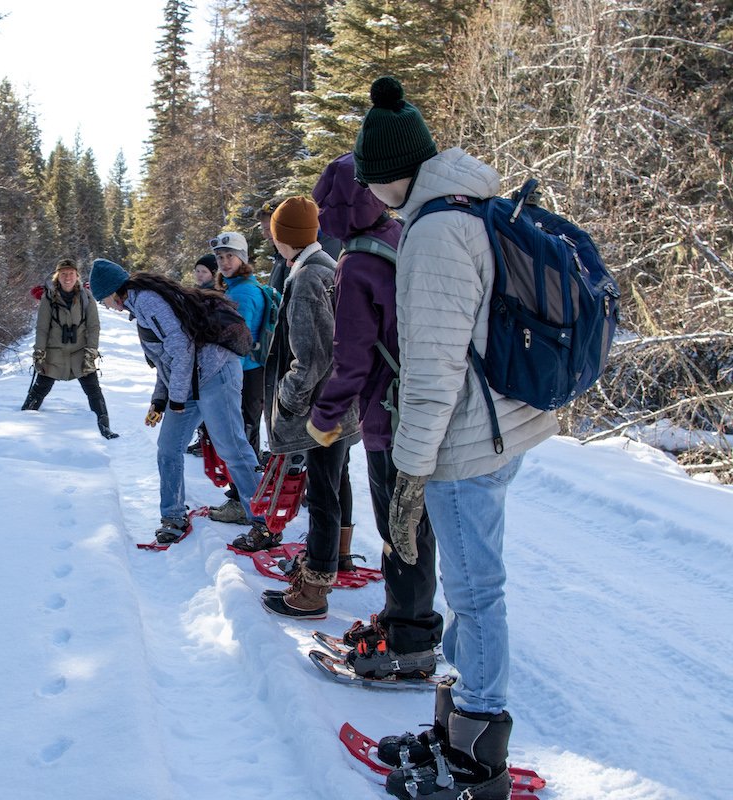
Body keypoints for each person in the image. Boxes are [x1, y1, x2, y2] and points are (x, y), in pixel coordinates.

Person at [350, 77, 557, 800]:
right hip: (501, 425)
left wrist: (408, 477)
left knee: (477, 592)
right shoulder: (471, 203)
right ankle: (457, 722)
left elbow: (433, 375)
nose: (372, 199)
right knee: (476, 590)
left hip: (468, 440)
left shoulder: (435, 232)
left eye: (373, 184)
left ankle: (476, 756)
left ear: (390, 176)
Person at [307, 152, 444, 679]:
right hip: (418, 407)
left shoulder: (358, 263)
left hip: (388, 417)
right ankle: (401, 621)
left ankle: (409, 641)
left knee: (399, 528)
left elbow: (353, 355)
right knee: (413, 524)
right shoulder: (398, 237)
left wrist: (325, 417)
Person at [88, 258, 271, 546]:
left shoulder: (147, 301)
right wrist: (160, 400)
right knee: (168, 448)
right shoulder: (138, 307)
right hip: (190, 381)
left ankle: (265, 523)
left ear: (112, 291)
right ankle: (172, 516)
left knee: (232, 447)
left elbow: (182, 351)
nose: (105, 305)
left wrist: (175, 400)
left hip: (215, 372)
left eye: (103, 300)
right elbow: (165, 361)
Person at [254, 196, 359, 616]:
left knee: (322, 494)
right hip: (338, 404)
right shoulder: (325, 267)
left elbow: (312, 357)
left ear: (285, 238)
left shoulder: (308, 278)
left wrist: (286, 401)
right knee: (335, 485)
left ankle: (314, 590)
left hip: (320, 410)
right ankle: (334, 558)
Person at [206, 231, 266, 524]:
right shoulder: (234, 288)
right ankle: (244, 499)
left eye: (230, 256)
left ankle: (246, 504)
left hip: (246, 374)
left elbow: (239, 340)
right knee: (242, 437)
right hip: (246, 372)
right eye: (220, 257)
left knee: (242, 440)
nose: (224, 262)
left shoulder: (243, 292)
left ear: (242, 257)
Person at [21, 258, 119, 439]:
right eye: (64, 274)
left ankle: (104, 428)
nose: (67, 278)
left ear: (77, 276)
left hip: (80, 353)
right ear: (58, 276)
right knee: (40, 388)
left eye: (71, 274)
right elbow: (42, 327)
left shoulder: (86, 296)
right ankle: (23, 422)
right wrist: (39, 353)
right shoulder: (48, 297)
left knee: (94, 391)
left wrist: (91, 351)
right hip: (54, 352)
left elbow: (93, 326)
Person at [186, 253, 220, 456]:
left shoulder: (214, 294)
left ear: (213, 273)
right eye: (197, 271)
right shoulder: (197, 292)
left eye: (203, 271)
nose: (199, 275)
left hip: (210, 356)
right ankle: (203, 441)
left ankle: (210, 443)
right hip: (197, 355)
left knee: (208, 404)